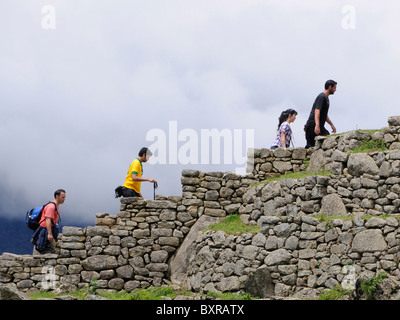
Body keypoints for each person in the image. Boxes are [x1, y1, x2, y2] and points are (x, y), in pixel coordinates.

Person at [304, 80, 337, 148]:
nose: (335, 90)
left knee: (326, 136)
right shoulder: (322, 97)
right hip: (312, 126)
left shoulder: (326, 98)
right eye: (334, 88)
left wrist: (331, 124)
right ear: (330, 87)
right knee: (311, 147)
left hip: (318, 125)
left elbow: (324, 114)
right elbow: (317, 110)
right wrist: (317, 125)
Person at [32, 189, 66, 254]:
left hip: (47, 229)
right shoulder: (51, 207)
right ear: (57, 196)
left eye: (64, 197)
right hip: (44, 230)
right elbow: (48, 220)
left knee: (45, 248)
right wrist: (49, 234)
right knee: (43, 248)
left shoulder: (56, 206)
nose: (64, 199)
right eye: (62, 197)